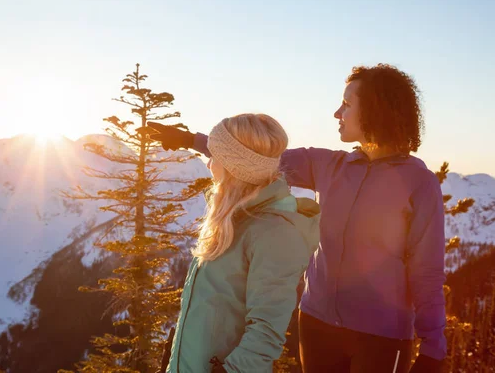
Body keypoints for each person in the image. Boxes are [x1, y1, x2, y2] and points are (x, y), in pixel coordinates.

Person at [149, 64, 447, 373]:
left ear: (376, 108)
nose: (337, 113)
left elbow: (427, 272)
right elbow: (254, 160)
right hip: (317, 326)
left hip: (381, 337)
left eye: (347, 104)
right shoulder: (329, 165)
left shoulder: (419, 183)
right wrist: (190, 139)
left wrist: (433, 348)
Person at [163, 113, 321, 372]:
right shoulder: (235, 219)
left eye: (214, 156)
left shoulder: (274, 233)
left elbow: (267, 330)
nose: (208, 164)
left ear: (235, 167)